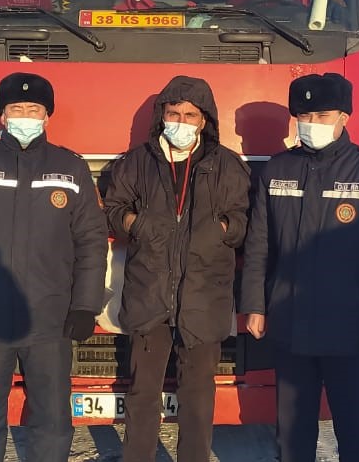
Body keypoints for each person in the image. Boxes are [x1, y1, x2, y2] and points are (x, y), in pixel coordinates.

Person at [0, 72, 108, 462]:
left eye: (34, 109)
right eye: (16, 108)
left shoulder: (70, 168)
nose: (25, 116)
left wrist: (85, 306)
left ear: (47, 116)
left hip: (50, 320)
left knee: (53, 419)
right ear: (1, 115)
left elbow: (92, 244)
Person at [240, 73, 359, 462]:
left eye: (322, 114)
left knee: (355, 434)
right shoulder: (278, 170)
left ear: (344, 116)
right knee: (292, 437)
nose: (311, 123)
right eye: (304, 114)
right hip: (290, 329)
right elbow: (259, 245)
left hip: (349, 334)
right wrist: (255, 304)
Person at [103, 76, 251, 462]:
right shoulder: (137, 162)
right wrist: (137, 224)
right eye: (174, 113)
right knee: (142, 393)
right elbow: (114, 210)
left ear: (204, 120)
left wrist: (221, 230)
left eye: (190, 114)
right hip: (149, 295)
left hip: (204, 298)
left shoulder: (227, 166)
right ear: (162, 116)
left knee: (199, 396)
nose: (181, 121)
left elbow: (243, 220)